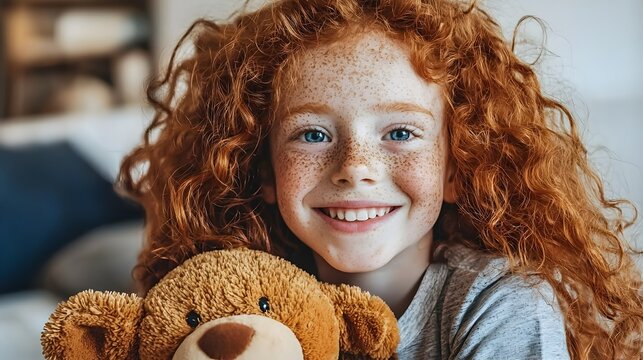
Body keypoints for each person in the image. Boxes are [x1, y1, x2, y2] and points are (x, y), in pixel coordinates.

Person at [118, 0, 643, 358]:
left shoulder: (502, 303)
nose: (355, 168)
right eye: (313, 135)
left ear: (457, 166)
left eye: (400, 132)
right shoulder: (238, 308)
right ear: (264, 172)